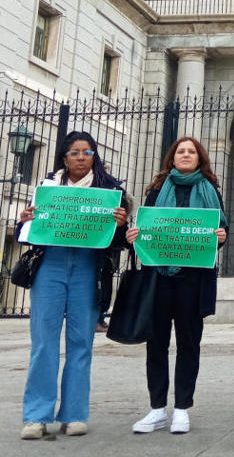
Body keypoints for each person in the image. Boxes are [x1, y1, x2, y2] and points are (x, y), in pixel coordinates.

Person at [16, 131, 129, 440]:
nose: (81, 157)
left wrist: (121, 224)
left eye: (88, 152)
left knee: (81, 344)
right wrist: (24, 219)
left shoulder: (110, 190)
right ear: (64, 157)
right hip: (50, 266)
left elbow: (120, 243)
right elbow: (24, 232)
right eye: (75, 152)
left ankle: (74, 414)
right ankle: (36, 416)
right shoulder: (47, 188)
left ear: (95, 157)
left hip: (88, 270)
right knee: (44, 342)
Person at [125, 137, 228, 435]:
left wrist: (222, 236)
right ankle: (157, 408)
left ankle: (182, 408)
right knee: (155, 345)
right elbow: (146, 228)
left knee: (188, 345)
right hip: (159, 279)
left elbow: (222, 231)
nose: (185, 155)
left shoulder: (211, 191)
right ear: (172, 158)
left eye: (191, 151)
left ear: (200, 158)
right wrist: (134, 237)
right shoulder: (157, 189)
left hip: (193, 281)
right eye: (180, 151)